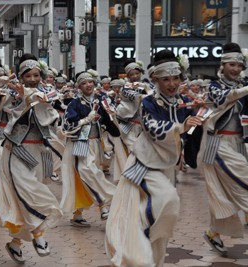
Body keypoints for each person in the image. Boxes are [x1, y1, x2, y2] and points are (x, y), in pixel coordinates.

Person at [105, 49, 203, 267]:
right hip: (145, 163)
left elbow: (190, 127)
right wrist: (182, 126)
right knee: (168, 200)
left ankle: (151, 260)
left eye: (175, 78)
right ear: (156, 79)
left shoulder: (182, 101)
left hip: (167, 164)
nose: (172, 84)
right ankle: (134, 230)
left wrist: (196, 115)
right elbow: (152, 129)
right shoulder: (149, 102)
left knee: (163, 228)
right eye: (166, 79)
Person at [0, 53, 62, 264]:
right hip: (16, 151)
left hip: (40, 151)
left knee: (27, 197)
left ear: (42, 75)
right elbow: (9, 115)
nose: (31, 79)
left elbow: (49, 115)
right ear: (20, 76)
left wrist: (31, 98)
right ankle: (39, 234)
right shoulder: (12, 93)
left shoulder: (49, 92)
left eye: (35, 74)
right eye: (27, 75)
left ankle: (15, 244)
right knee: (27, 192)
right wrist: (15, 93)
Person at [197, 42, 248, 256]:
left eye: (239, 65)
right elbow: (222, 99)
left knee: (224, 193)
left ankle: (213, 232)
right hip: (217, 145)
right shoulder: (214, 85)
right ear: (222, 65)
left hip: (238, 143)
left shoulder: (244, 85)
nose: (235, 69)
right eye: (231, 65)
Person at [60, 70, 120, 227]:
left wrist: (114, 131)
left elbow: (106, 118)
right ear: (79, 86)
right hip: (80, 142)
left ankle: (77, 214)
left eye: (90, 82)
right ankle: (103, 205)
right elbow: (66, 125)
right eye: (84, 83)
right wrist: (86, 120)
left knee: (85, 176)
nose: (88, 85)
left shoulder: (99, 100)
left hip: (95, 143)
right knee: (88, 172)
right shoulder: (75, 103)